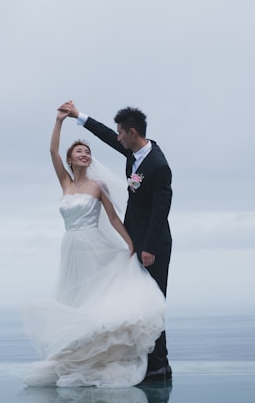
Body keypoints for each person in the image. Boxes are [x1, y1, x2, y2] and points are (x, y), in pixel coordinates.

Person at [21, 108, 166, 388]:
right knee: (75, 301)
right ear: (70, 159)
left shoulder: (98, 186)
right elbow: (52, 150)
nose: (84, 155)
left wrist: (130, 243)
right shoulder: (65, 182)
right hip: (71, 249)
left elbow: (112, 217)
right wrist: (59, 121)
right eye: (79, 152)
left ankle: (105, 356)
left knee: (97, 302)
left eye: (87, 152)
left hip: (94, 248)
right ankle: (78, 357)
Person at [60, 101, 173, 383]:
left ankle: (158, 366)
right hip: (137, 239)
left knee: (154, 302)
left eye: (121, 133)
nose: (118, 137)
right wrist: (79, 116)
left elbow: (161, 211)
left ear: (132, 132)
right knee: (142, 301)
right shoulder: (134, 151)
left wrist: (148, 248)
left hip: (154, 245)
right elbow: (106, 136)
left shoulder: (158, 165)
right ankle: (158, 362)